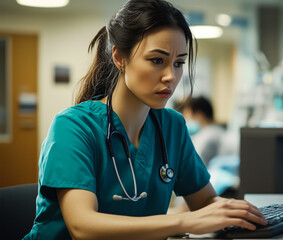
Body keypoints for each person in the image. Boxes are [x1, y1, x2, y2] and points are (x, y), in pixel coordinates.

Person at [24, 0, 267, 239]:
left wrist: (236, 213)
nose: (171, 76)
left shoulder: (172, 126)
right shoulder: (74, 127)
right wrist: (182, 221)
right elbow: (83, 227)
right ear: (119, 58)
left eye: (179, 63)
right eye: (157, 60)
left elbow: (204, 201)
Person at [181, 96, 225, 165]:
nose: (187, 120)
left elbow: (195, 166)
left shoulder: (205, 137)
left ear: (199, 114)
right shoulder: (219, 131)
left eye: (188, 116)